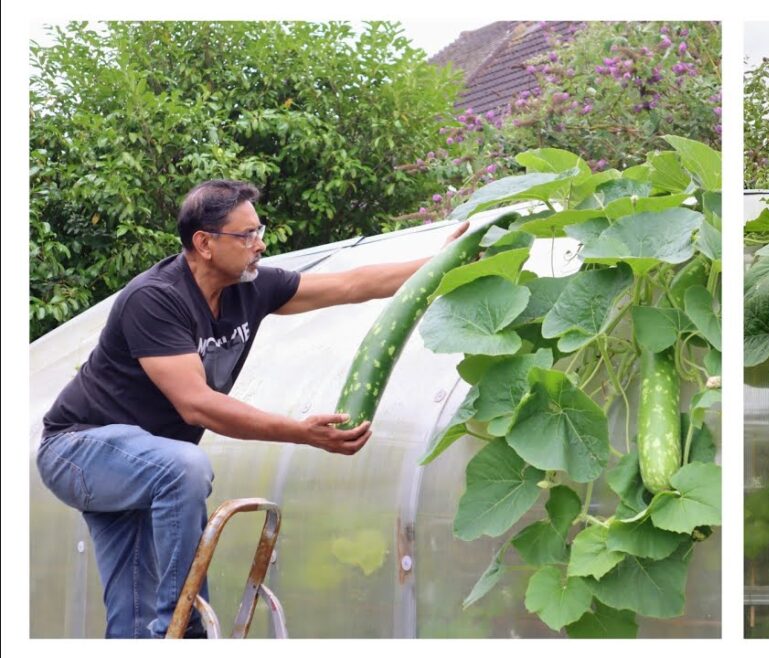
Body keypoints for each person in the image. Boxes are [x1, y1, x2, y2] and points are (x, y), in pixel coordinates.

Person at [36, 180, 468, 638]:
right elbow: (197, 405)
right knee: (183, 468)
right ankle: (181, 630)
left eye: (259, 230)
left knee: (130, 618)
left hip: (143, 465)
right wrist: (301, 432)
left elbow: (351, 284)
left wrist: (438, 265)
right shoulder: (156, 299)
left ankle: (155, 632)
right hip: (78, 449)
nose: (259, 244)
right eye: (246, 235)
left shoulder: (252, 288)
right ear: (204, 243)